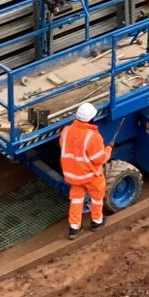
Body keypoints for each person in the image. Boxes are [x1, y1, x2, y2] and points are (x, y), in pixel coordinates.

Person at [58, 102, 110, 238]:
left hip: (73, 175)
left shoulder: (66, 130)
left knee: (76, 200)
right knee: (97, 197)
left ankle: (74, 228)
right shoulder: (93, 136)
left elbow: (65, 146)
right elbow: (99, 159)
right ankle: (97, 222)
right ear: (92, 118)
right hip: (90, 176)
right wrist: (108, 150)